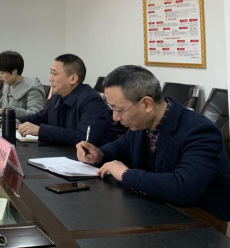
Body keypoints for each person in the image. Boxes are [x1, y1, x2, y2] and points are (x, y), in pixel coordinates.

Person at [77, 65, 230, 220]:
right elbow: (119, 147)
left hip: (202, 222)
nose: (115, 117)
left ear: (147, 104)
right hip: (154, 211)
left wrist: (126, 175)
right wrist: (98, 154)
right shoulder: (141, 123)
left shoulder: (200, 131)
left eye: (119, 110)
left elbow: (184, 188)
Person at [18, 54, 116, 146]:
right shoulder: (57, 97)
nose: (50, 78)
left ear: (73, 79)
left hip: (93, 157)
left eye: (55, 74)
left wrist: (40, 131)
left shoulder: (92, 101)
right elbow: (42, 117)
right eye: (51, 73)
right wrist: (18, 120)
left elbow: (83, 137)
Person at [0, 51, 45, 118]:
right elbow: (0, 107)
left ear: (14, 71)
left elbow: (36, 114)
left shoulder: (32, 89)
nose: (0, 77)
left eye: (2, 73)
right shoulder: (9, 85)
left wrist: (6, 111)